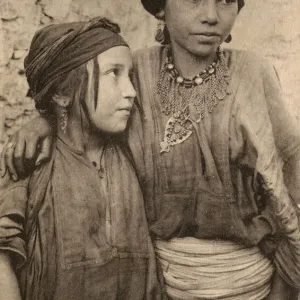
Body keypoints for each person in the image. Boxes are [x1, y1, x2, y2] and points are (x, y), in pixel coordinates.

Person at [2, 0, 300, 299]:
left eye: (225, 1)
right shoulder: (138, 72)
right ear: (161, 8)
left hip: (250, 284)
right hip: (162, 284)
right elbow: (79, 94)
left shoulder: (252, 73)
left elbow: (288, 189)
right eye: (194, 0)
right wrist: (46, 120)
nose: (211, 16)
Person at [0, 17, 165, 300]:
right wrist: (44, 122)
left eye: (131, 76)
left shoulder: (133, 150)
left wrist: (45, 121)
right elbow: (3, 262)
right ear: (63, 93)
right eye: (114, 73)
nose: (131, 92)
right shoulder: (31, 163)